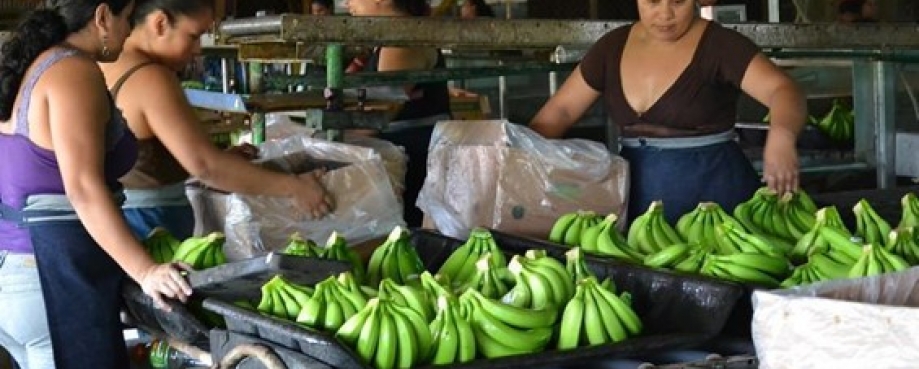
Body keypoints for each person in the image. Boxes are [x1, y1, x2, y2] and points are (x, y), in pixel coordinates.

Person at [0, 1, 193, 368]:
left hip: (17, 272)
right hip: (47, 278)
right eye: (127, 19)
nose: (129, 30)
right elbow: (84, 189)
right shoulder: (72, 71)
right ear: (103, 16)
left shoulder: (35, 65)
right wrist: (146, 271)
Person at [529, 0, 806, 225]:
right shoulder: (611, 47)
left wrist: (781, 137)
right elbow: (561, 112)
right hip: (637, 204)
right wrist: (518, 158)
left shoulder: (721, 45)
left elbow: (783, 90)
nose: (665, 13)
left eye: (678, 1)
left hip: (719, 203)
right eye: (652, 1)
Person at [99, 0, 335, 241]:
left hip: (121, 220)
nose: (198, 49)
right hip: (151, 223)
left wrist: (226, 159)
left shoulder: (110, 64)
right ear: (160, 23)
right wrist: (295, 188)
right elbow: (205, 166)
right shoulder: (151, 78)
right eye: (193, 36)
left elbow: (145, 157)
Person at [346, 0, 451, 227]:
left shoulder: (402, 41)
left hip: (415, 161)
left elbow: (380, 111)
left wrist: (332, 139)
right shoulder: (395, 37)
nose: (347, 3)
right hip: (412, 156)